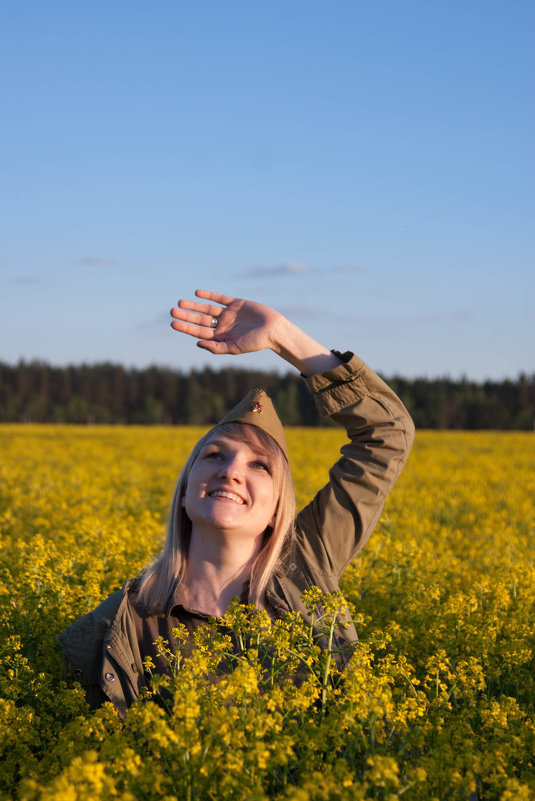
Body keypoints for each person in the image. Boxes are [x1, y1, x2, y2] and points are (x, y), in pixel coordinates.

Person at [59, 290, 415, 718]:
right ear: (186, 487)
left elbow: (387, 434)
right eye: (215, 456)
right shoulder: (118, 625)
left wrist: (284, 337)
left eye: (260, 466)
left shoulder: (307, 562)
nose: (231, 473)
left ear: (278, 503)